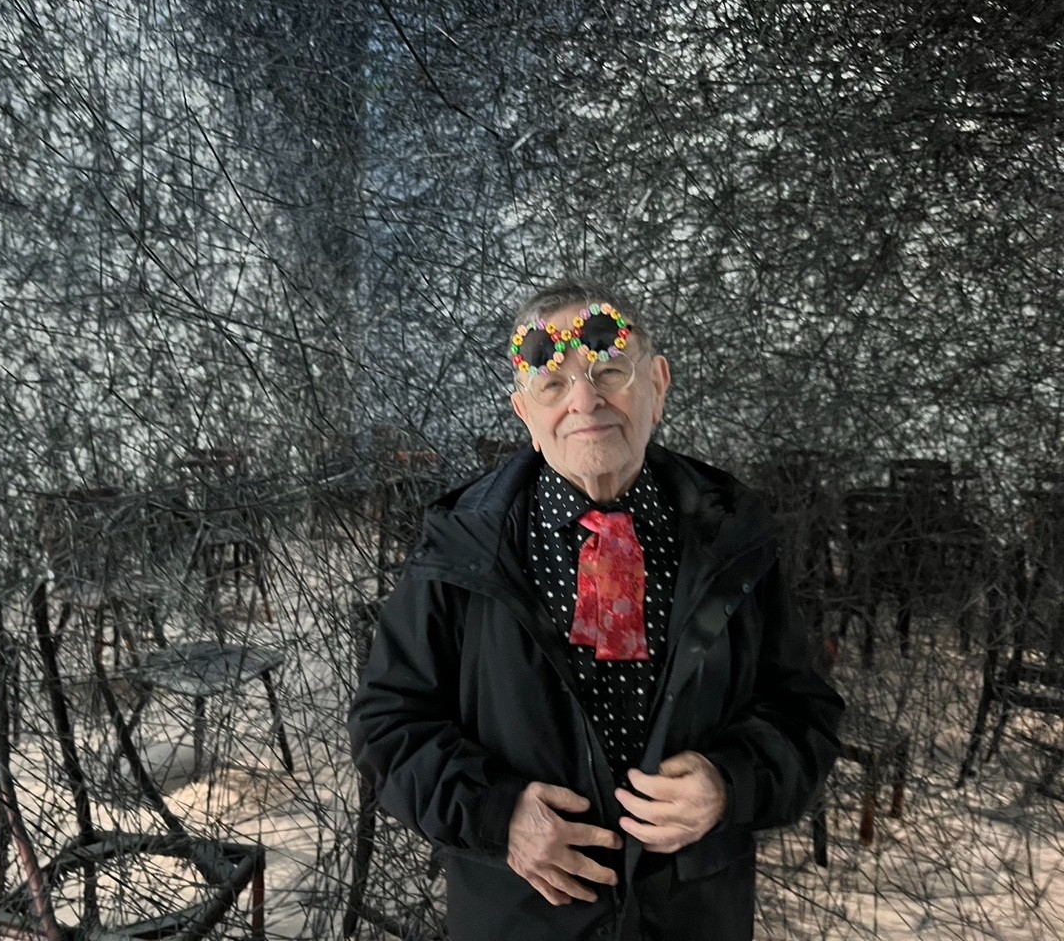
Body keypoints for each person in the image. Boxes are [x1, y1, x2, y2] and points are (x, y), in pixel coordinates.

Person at [348, 277, 844, 941]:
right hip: (518, 920)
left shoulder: (734, 541)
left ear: (659, 384)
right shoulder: (461, 551)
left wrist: (732, 783)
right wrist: (499, 815)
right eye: (552, 385)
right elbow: (387, 729)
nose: (585, 400)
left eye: (609, 370)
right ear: (524, 412)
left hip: (695, 918)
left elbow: (805, 714)